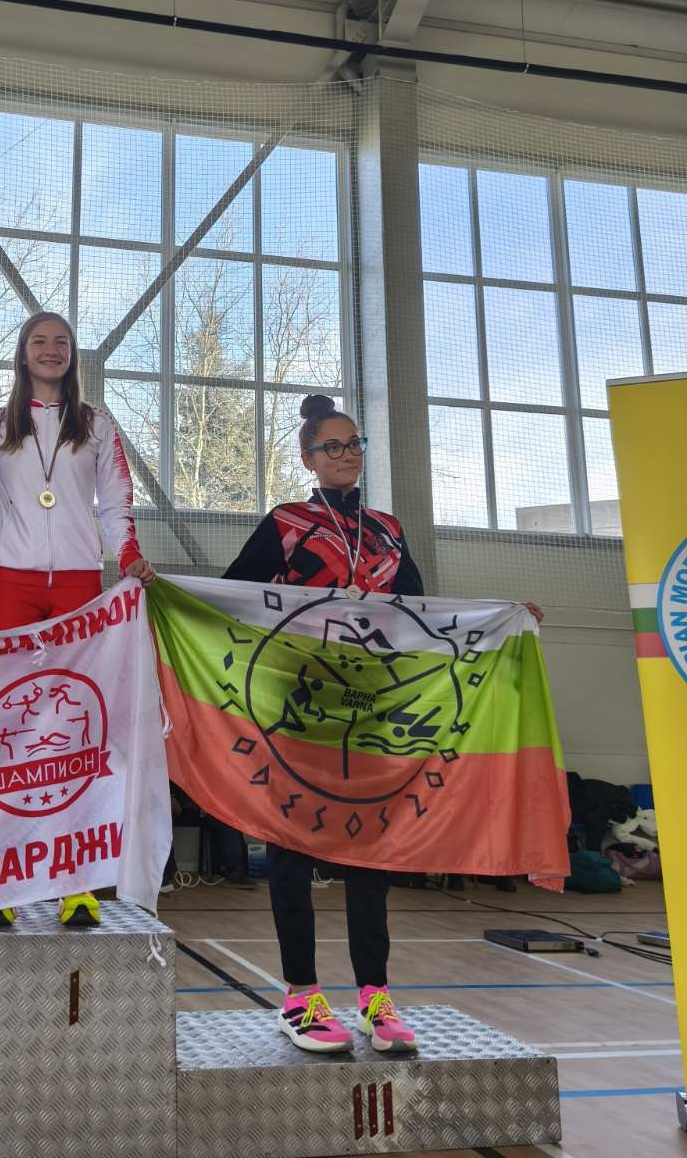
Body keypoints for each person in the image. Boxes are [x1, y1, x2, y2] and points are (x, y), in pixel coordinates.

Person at [226, 395, 543, 1056]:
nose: (346, 455)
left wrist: (501, 619)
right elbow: (235, 597)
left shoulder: (388, 531)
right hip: (299, 709)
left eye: (354, 444)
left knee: (369, 852)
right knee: (290, 850)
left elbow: (423, 615)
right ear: (308, 458)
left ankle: (375, 996)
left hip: (371, 710)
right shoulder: (287, 524)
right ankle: (301, 997)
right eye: (332, 446)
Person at [0, 311, 154, 927]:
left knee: (76, 728)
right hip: (12, 586)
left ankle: (79, 883)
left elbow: (116, 502)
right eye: (39, 341)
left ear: (73, 355)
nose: (51, 350)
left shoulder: (96, 423)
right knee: (9, 727)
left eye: (62, 342)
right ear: (22, 354)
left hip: (78, 584)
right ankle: (3, 883)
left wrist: (126, 555)